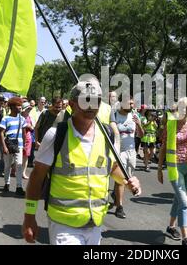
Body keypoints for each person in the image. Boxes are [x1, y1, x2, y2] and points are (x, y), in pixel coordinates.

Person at [22, 80, 141, 245]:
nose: (91, 106)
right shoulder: (56, 135)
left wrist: (127, 181)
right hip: (64, 226)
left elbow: (112, 168)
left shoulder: (107, 135)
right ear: (71, 104)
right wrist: (29, 217)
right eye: (86, 101)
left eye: (96, 101)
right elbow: (36, 178)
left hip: (95, 223)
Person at [157, 97, 187, 245]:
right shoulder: (170, 124)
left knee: (179, 198)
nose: (183, 112)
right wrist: (159, 169)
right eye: (181, 109)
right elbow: (163, 147)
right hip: (175, 167)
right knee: (184, 201)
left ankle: (171, 227)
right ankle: (186, 237)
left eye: (186, 109)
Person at [112, 96, 144, 218]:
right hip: (118, 151)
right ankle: (119, 207)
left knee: (127, 177)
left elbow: (141, 135)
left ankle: (116, 195)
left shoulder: (134, 116)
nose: (132, 106)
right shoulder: (114, 115)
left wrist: (139, 124)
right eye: (129, 104)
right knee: (123, 178)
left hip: (131, 152)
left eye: (132, 104)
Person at [0, 97, 28, 196]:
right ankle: (6, 183)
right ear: (12, 107)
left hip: (19, 146)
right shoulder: (5, 118)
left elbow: (24, 132)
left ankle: (19, 187)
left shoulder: (22, 119)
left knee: (19, 165)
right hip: (8, 145)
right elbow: (1, 133)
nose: (20, 107)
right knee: (7, 165)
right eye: (18, 105)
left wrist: (24, 145)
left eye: (20, 105)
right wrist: (4, 147)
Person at [21, 102, 34, 179]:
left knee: (26, 156)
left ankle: (23, 172)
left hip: (28, 138)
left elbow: (32, 127)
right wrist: (26, 125)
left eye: (29, 109)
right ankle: (14, 169)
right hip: (20, 138)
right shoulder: (19, 117)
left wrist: (30, 126)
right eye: (27, 109)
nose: (29, 110)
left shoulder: (29, 117)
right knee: (18, 156)